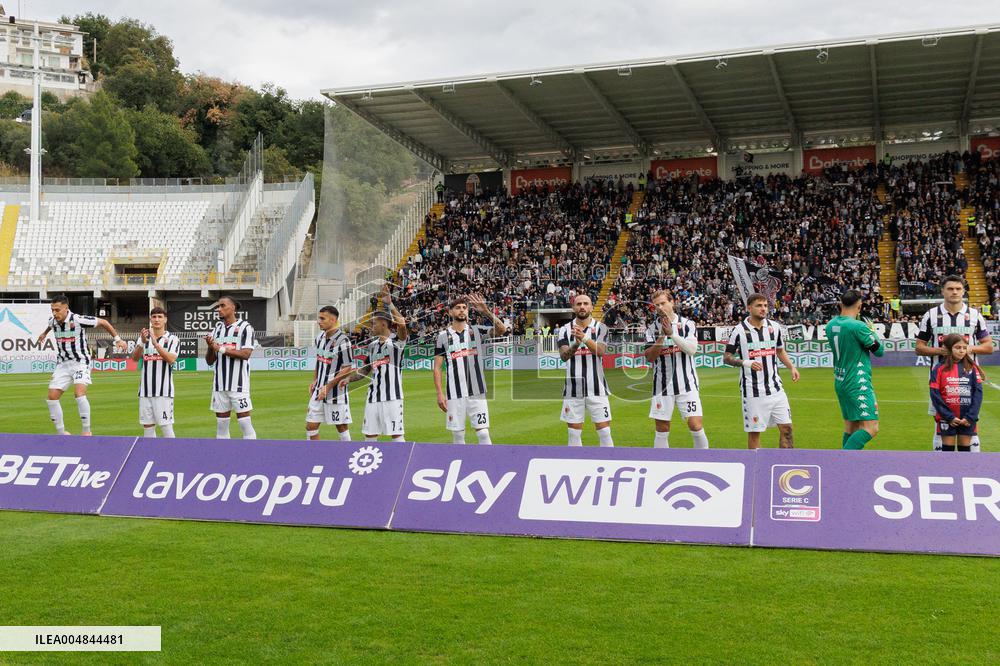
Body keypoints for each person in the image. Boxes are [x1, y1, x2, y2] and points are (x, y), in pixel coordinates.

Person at [915, 275, 993, 452]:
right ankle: (941, 466)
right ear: (942, 291)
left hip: (968, 381)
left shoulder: (974, 315)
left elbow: (988, 347)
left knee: (970, 421)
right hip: (940, 382)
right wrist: (942, 351)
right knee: (940, 422)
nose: (954, 292)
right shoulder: (931, 315)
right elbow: (919, 347)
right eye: (950, 289)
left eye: (958, 289)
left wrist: (967, 349)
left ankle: (971, 469)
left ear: (963, 291)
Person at [35, 294, 126, 435]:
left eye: (57, 310)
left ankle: (86, 431)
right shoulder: (53, 321)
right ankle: (61, 433)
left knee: (79, 393)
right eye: (52, 310)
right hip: (63, 364)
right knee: (52, 398)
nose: (54, 313)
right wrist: (44, 334)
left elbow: (103, 322)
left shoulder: (77, 320)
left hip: (81, 362)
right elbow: (50, 325)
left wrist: (118, 339)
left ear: (66, 308)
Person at [723, 293, 800, 449]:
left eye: (765, 305)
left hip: (776, 389)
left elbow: (779, 350)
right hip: (753, 391)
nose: (763, 309)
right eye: (759, 305)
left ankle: (783, 464)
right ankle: (755, 469)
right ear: (749, 308)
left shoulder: (774, 327)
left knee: (787, 429)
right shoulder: (739, 331)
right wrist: (746, 362)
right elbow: (727, 357)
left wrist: (791, 367)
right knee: (755, 433)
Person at [433, 294, 506, 445]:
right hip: (454, 394)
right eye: (457, 308)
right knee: (458, 436)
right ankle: (462, 466)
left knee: (484, 434)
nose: (461, 311)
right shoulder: (442, 337)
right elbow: (437, 368)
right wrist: (440, 394)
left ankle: (488, 464)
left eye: (464, 308)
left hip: (476, 391)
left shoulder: (476, 331)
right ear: (450, 312)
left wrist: (486, 311)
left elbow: (501, 329)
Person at [336, 290, 408, 441]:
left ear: (384, 324)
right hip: (372, 397)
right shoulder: (373, 346)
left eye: (374, 323)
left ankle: (402, 464)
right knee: (369, 435)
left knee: (396, 435)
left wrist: (390, 304)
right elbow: (366, 369)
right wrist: (349, 379)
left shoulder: (396, 344)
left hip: (392, 398)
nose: (371, 326)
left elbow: (401, 324)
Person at [643, 290, 709, 449]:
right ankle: (661, 464)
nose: (660, 307)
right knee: (662, 428)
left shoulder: (687, 325)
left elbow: (692, 350)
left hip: (687, 384)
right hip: (662, 386)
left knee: (695, 425)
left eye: (663, 303)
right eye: (657, 305)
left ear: (672, 302)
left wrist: (672, 334)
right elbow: (649, 357)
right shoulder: (651, 329)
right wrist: (661, 337)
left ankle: (705, 460)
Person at [825, 290, 884, 450]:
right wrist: (872, 331)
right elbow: (879, 351)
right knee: (871, 427)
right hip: (857, 382)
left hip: (840, 380)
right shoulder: (858, 326)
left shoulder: (831, 325)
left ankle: (847, 466)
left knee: (851, 427)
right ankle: (841, 463)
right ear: (859, 306)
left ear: (840, 304)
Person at [557, 294, 613, 447]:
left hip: (598, 388)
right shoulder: (564, 330)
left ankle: (609, 464)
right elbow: (564, 356)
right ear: (573, 307)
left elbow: (601, 351)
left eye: (585, 303)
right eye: (579, 303)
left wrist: (584, 339)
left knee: (605, 432)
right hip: (573, 390)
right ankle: (575, 468)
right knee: (574, 435)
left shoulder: (601, 328)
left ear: (591, 307)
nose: (582, 306)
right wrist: (575, 345)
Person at [204, 296, 257, 439]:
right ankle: (223, 458)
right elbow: (210, 361)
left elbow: (246, 354)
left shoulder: (246, 328)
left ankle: (251, 455)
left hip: (239, 385)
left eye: (222, 306)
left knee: (245, 424)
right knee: (221, 426)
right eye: (218, 307)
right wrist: (210, 348)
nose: (219, 309)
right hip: (219, 386)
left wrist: (220, 349)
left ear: (233, 308)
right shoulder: (217, 329)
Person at [929, 333, 985, 452]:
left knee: (964, 451)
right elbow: (935, 394)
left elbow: (978, 394)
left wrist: (970, 416)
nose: (961, 351)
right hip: (947, 417)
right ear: (949, 348)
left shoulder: (972, 368)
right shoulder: (939, 368)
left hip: (967, 418)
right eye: (958, 348)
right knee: (947, 452)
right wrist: (949, 416)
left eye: (964, 348)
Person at [306, 305, 354, 442]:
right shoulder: (319, 337)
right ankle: (315, 456)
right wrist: (315, 380)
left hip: (335, 393)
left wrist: (328, 387)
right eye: (318, 318)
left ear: (333, 320)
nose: (318, 321)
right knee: (311, 426)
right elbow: (319, 359)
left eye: (322, 318)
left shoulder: (343, 340)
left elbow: (347, 368)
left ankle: (348, 455)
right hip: (318, 390)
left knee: (341, 426)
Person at [130, 307, 180, 438]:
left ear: (165, 320)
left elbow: (171, 359)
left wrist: (156, 344)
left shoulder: (173, 339)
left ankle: (173, 456)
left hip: (163, 392)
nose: (157, 319)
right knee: (148, 428)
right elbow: (134, 358)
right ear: (150, 319)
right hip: (145, 392)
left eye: (160, 317)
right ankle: (150, 456)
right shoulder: (143, 339)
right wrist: (142, 342)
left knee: (166, 426)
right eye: (154, 317)